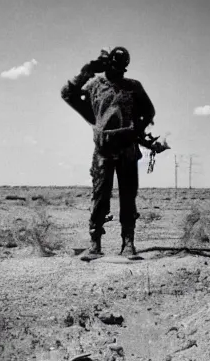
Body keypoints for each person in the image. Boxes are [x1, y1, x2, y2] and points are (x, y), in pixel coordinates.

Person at [61, 47, 157, 260]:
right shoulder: (95, 85)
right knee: (99, 196)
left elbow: (149, 111)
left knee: (128, 197)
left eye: (121, 67)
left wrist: (135, 131)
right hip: (103, 150)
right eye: (113, 66)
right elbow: (68, 93)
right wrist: (88, 70)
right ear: (107, 65)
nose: (118, 71)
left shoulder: (133, 87)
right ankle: (95, 244)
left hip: (128, 150)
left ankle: (128, 244)